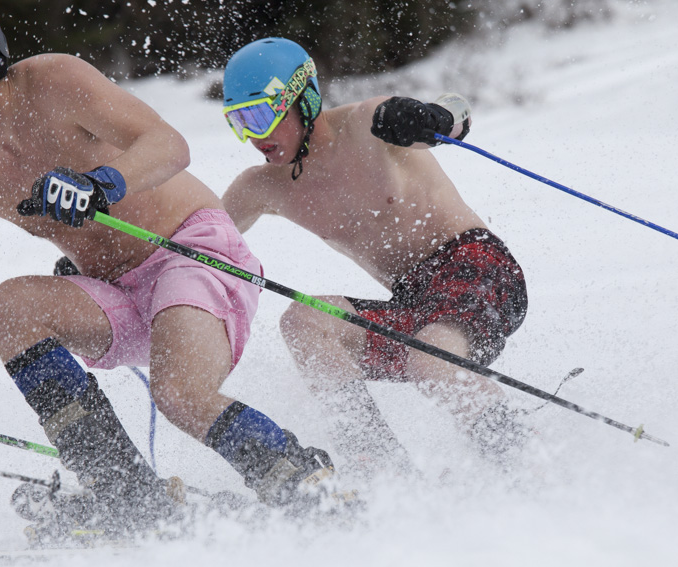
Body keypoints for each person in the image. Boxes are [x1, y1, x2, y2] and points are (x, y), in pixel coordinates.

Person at [0, 1, 337, 534]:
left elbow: (169, 145)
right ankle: (125, 494)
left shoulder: (53, 82)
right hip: (117, 292)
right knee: (7, 308)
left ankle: (301, 481)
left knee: (180, 394)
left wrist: (103, 183)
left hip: (192, 254)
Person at [220, 38, 531, 478]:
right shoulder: (261, 185)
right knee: (306, 322)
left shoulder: (371, 123)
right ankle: (382, 468)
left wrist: (433, 117)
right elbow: (198, 234)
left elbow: (457, 111)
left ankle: (528, 463)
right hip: (416, 303)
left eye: (260, 116)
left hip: (477, 265)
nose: (254, 136)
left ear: (302, 99)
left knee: (431, 358)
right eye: (239, 122)